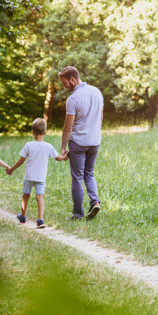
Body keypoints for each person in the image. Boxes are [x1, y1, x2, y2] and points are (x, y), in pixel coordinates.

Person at [58, 66, 104, 221]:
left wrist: (64, 147)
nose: (64, 86)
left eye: (65, 83)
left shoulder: (73, 99)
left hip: (78, 143)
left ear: (72, 79)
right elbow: (100, 118)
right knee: (89, 173)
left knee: (77, 177)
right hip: (94, 141)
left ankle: (78, 214)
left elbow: (68, 126)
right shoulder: (97, 92)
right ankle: (95, 201)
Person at [6, 118, 68, 228]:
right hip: (40, 177)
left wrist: (11, 169)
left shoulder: (28, 145)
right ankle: (40, 220)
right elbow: (57, 158)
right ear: (45, 132)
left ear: (33, 132)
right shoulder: (48, 146)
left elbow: (21, 160)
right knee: (39, 197)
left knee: (25, 196)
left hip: (29, 176)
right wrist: (65, 157)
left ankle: (23, 218)